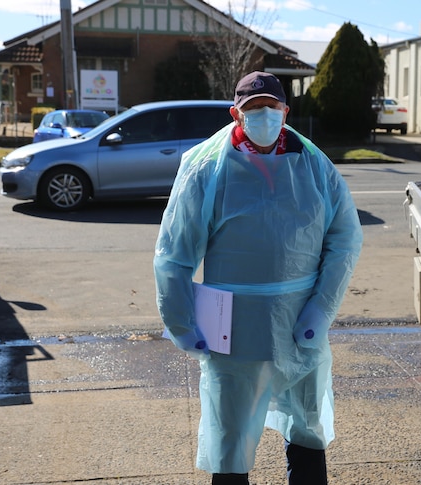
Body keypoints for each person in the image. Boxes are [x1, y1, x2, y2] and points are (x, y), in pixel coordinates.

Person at [154, 71, 363, 485]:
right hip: (233, 327)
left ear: (286, 111)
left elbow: (344, 239)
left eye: (272, 108)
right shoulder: (207, 167)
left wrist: (321, 309)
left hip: (300, 323)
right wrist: (182, 323)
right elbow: (174, 254)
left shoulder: (314, 164)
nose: (264, 116)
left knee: (307, 432)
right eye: (253, 109)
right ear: (236, 113)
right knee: (230, 445)